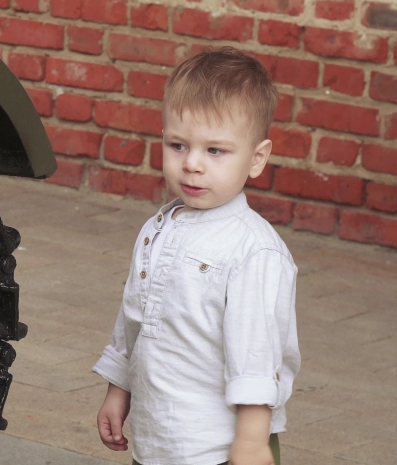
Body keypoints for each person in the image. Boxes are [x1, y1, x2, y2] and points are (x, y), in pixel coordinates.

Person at [92, 47, 301, 465]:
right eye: (178, 145)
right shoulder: (157, 229)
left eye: (215, 151)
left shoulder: (252, 251)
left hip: (221, 446)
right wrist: (119, 390)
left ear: (256, 158)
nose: (192, 164)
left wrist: (252, 443)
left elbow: (256, 354)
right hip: (160, 440)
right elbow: (134, 320)